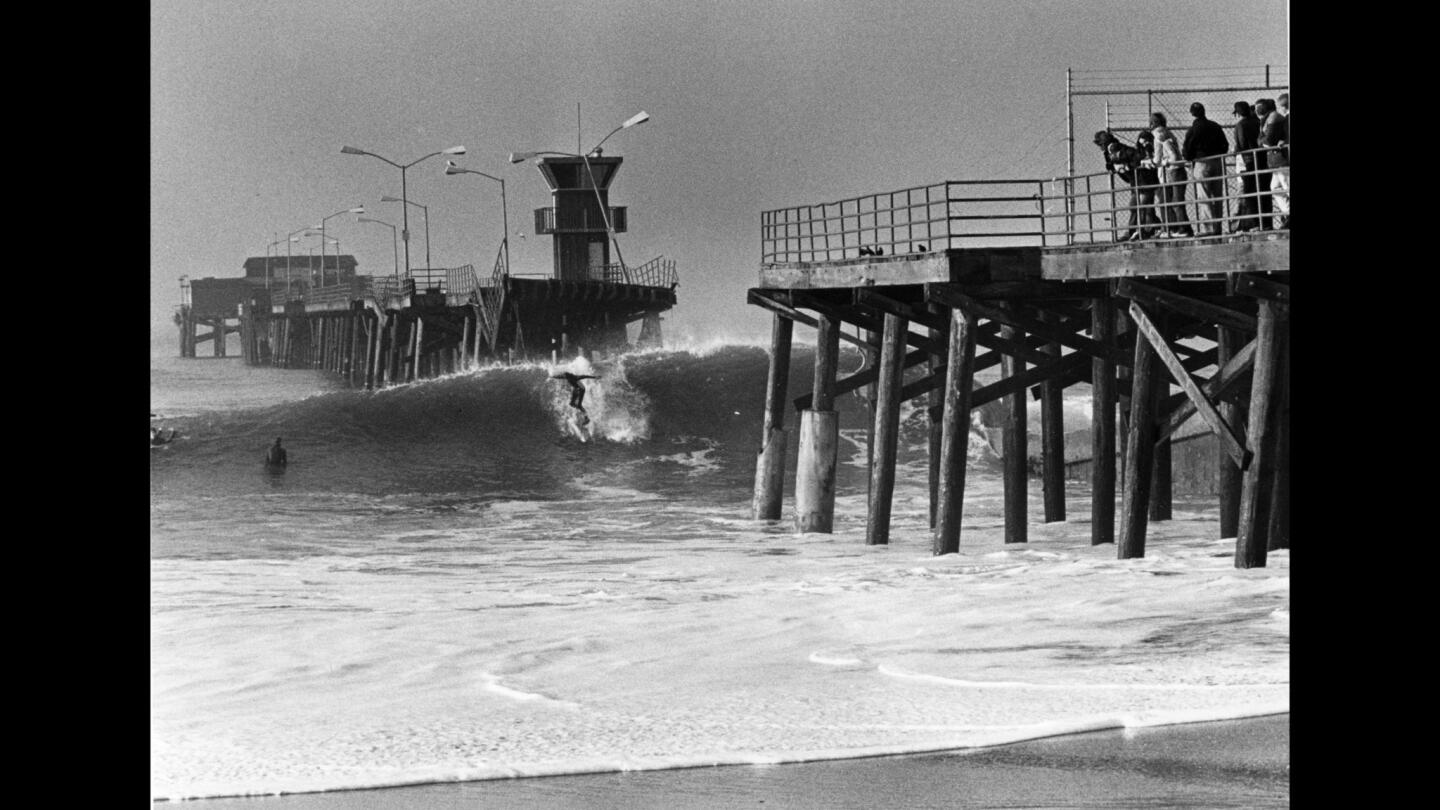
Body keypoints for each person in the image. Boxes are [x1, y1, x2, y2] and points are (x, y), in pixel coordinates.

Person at [1181, 102, 1230, 236]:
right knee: (1218, 195)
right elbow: (1225, 145)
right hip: (1217, 161)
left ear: (1192, 114)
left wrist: (1191, 158)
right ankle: (1218, 226)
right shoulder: (1215, 126)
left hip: (1202, 163)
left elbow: (1187, 151)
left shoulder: (1193, 130)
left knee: (1204, 196)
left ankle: (1209, 229)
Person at [1093, 130, 1141, 242]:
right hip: (1135, 178)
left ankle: (1134, 231)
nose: (1100, 147)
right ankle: (1141, 229)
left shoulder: (1113, 148)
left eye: (1100, 144)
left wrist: (1117, 166)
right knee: (1139, 205)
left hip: (1137, 178)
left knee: (1135, 205)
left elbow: (1120, 160)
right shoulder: (1113, 148)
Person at [1151, 113, 1193, 237]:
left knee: (1174, 201)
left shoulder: (1158, 136)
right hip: (1178, 169)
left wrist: (1156, 161)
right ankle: (1183, 228)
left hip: (1172, 170)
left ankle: (1182, 229)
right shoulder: (1169, 133)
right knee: (1176, 200)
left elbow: (1159, 158)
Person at [1230, 101, 1262, 233]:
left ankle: (1252, 224)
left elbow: (1241, 144)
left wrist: (1235, 151)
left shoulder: (1240, 125)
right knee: (1259, 191)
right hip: (1260, 158)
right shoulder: (1257, 122)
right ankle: (1261, 222)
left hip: (1247, 161)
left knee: (1248, 193)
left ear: (1237, 113)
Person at [1257, 98, 1289, 229]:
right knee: (1275, 187)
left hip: (1281, 159)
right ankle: (1288, 213)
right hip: (1276, 160)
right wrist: (1262, 141)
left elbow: (1267, 140)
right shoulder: (1270, 118)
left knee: (1286, 186)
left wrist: (1262, 141)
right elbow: (1261, 141)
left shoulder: (1274, 118)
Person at [1132, 130, 1162, 240]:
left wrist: (1148, 160)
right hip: (1142, 181)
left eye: (1146, 142)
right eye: (1142, 143)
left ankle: (1143, 229)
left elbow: (1155, 161)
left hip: (1150, 181)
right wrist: (1143, 162)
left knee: (1144, 206)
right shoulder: (1138, 152)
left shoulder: (1154, 149)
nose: (1144, 145)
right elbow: (1135, 162)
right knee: (1146, 207)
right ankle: (1152, 228)